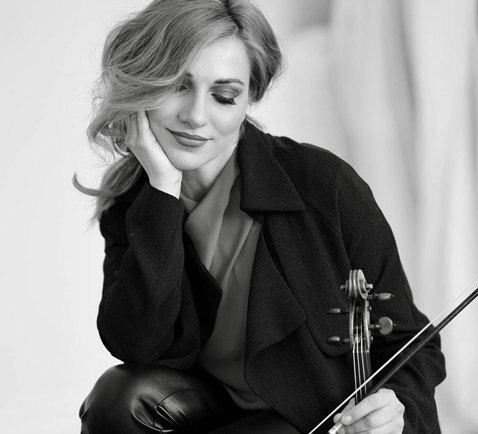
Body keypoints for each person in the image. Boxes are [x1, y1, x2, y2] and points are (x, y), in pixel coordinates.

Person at [76, 0, 446, 432]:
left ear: (249, 99)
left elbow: (410, 341)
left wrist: (396, 408)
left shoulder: (323, 184)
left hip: (311, 416)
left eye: (224, 95)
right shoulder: (135, 204)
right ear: (144, 85)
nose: (196, 116)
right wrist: (162, 191)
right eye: (177, 86)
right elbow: (136, 345)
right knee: (117, 397)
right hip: (211, 406)